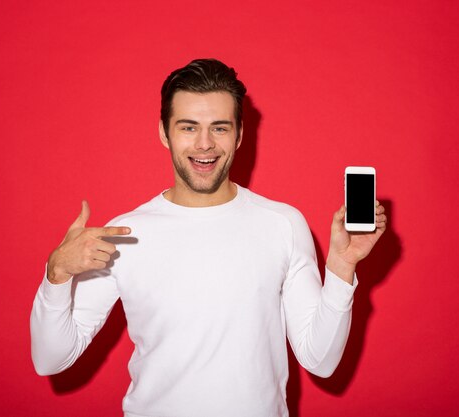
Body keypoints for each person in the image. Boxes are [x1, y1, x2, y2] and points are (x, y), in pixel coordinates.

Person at [31, 58, 387, 417]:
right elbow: (50, 359)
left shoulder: (282, 224)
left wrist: (342, 266)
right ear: (163, 132)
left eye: (219, 128)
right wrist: (56, 275)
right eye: (188, 127)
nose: (205, 144)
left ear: (240, 134)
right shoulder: (124, 234)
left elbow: (320, 360)